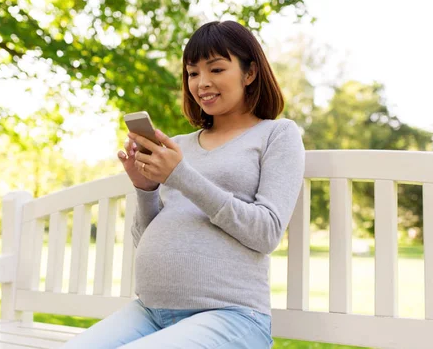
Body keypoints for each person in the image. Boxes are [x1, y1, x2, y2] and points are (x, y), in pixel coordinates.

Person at [62, 20, 305, 349]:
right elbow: (145, 237)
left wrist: (181, 176)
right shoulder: (180, 145)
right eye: (192, 73)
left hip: (232, 315)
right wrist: (145, 189)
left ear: (249, 73)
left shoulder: (277, 134)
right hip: (150, 312)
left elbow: (266, 232)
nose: (202, 83)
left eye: (216, 69)